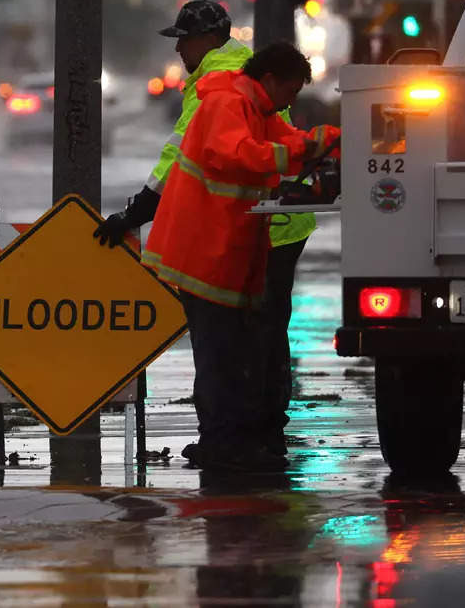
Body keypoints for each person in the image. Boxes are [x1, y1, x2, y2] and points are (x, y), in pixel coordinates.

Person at [94, 0, 318, 458]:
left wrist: (134, 215)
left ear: (208, 40)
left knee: (225, 338)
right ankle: (263, 433)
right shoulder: (245, 72)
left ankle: (233, 438)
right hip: (279, 223)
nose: (179, 49)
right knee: (266, 334)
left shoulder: (216, 86)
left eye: (184, 39)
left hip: (251, 228)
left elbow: (179, 158)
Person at [138, 43, 334, 472]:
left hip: (222, 252)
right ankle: (220, 445)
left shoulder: (254, 107)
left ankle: (232, 439)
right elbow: (236, 155)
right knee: (219, 355)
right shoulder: (228, 104)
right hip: (202, 252)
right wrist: (301, 153)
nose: (291, 102)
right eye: (291, 91)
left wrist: (326, 142)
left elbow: (284, 139)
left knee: (233, 352)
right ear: (269, 81)